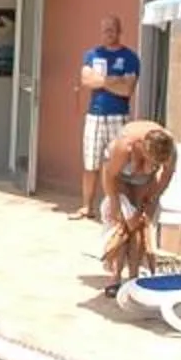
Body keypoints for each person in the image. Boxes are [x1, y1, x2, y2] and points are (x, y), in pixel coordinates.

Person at [96, 118, 179, 285]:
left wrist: (153, 197)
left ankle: (133, 277)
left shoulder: (169, 148)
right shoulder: (125, 146)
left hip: (145, 182)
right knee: (122, 226)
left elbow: (167, 175)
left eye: (156, 164)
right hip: (119, 178)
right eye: (150, 160)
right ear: (142, 147)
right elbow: (109, 175)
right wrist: (114, 202)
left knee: (139, 225)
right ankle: (115, 276)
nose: (152, 165)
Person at [77, 17, 142, 219]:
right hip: (95, 115)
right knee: (90, 163)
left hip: (118, 116)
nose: (108, 33)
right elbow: (86, 80)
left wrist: (101, 81)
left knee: (117, 164)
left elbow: (127, 90)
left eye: (112, 29)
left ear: (119, 31)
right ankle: (86, 207)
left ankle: (116, 208)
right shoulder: (92, 54)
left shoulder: (130, 57)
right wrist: (113, 80)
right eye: (105, 30)